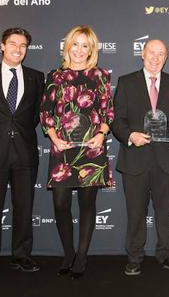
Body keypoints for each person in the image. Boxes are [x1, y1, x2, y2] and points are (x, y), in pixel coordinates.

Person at [39, 25, 114, 279]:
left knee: (87, 204)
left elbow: (107, 112)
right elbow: (45, 113)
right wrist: (53, 137)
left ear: (91, 50)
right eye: (75, 44)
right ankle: (68, 252)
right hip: (62, 149)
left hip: (91, 150)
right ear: (67, 46)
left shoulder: (101, 75)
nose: (79, 51)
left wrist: (102, 134)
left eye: (85, 46)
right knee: (60, 203)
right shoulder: (55, 76)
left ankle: (81, 255)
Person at [111, 39, 169, 276]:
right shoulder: (126, 82)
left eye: (161, 54)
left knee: (166, 211)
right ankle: (134, 257)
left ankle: (168, 255)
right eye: (152, 53)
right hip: (135, 157)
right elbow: (117, 120)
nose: (156, 58)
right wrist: (130, 135)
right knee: (135, 212)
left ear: (166, 57)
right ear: (142, 54)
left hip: (166, 159)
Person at [0, 28, 45, 278]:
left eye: (23, 45)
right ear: (2, 46)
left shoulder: (37, 77)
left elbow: (38, 114)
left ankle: (22, 255)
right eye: (13, 43)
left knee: (24, 206)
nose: (18, 49)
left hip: (25, 152)